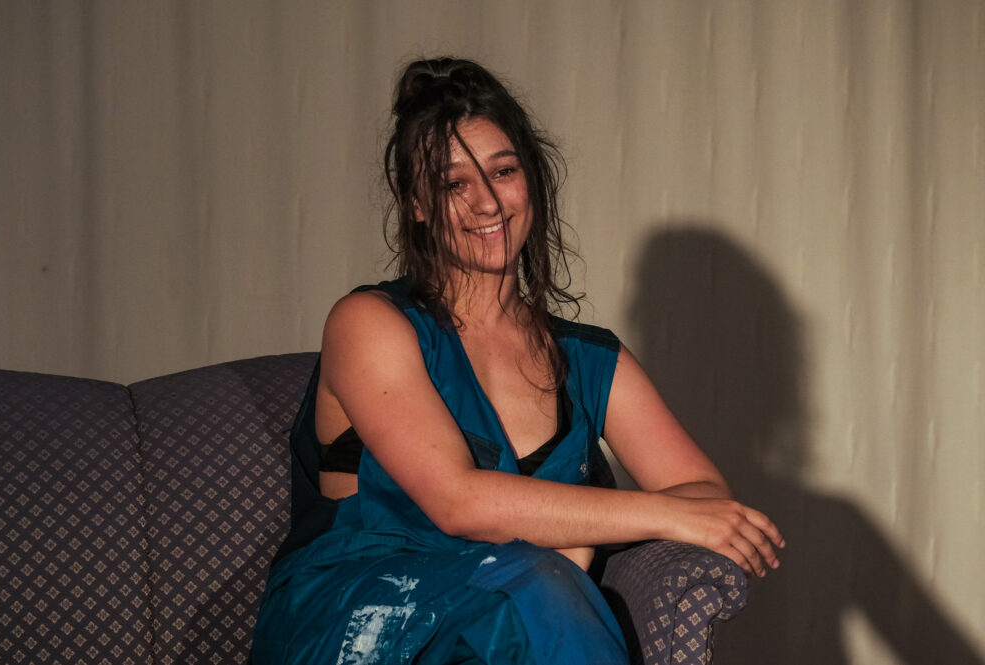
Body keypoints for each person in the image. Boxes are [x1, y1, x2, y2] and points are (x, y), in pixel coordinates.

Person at [251, 57, 784, 665]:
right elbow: (458, 502)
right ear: (416, 203)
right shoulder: (369, 323)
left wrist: (564, 543)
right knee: (541, 585)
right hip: (361, 622)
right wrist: (571, 544)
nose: (487, 203)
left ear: (530, 179)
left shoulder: (589, 358)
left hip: (518, 620)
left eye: (503, 171)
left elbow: (705, 493)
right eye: (454, 184)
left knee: (539, 590)